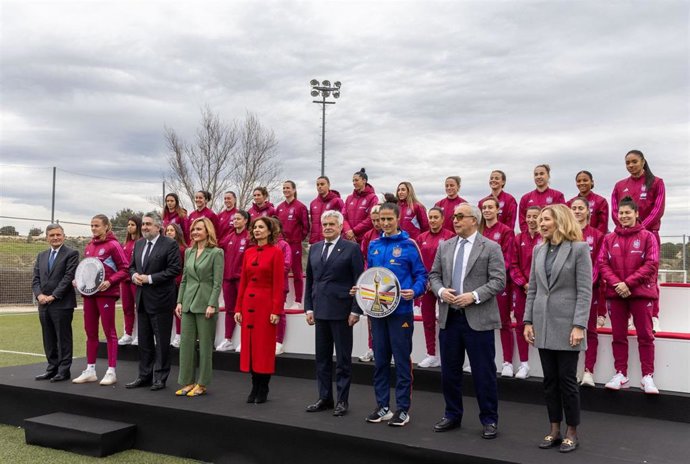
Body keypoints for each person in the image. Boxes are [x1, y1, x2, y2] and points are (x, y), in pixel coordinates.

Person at [428, 203, 505, 439]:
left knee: (484, 372)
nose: (455, 219)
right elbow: (434, 275)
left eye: (460, 216)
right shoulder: (445, 246)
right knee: (449, 372)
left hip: (478, 319)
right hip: (450, 318)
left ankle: (489, 419)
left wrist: (474, 296)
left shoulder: (491, 247)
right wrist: (441, 292)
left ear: (475, 219)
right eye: (454, 216)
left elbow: (499, 280)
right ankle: (452, 414)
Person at [523, 204, 592, 453]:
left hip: (567, 326)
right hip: (542, 324)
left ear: (560, 221)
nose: (541, 223)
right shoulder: (538, 250)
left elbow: (585, 291)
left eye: (546, 219)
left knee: (567, 381)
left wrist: (579, 325)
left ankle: (571, 430)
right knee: (549, 381)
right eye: (539, 220)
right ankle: (554, 429)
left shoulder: (579, 249)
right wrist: (527, 321)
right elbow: (533, 289)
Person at [362, 202, 427, 427]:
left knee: (401, 360)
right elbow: (369, 276)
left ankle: (402, 409)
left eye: (390, 219)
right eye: (382, 219)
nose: (386, 223)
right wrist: (360, 290)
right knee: (380, 360)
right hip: (378, 313)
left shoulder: (409, 245)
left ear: (398, 219)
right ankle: (382, 407)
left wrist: (415, 291)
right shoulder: (374, 245)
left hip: (401, 313)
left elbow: (422, 276)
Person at [304, 210, 365, 416]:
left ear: (340, 226)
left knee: (343, 360)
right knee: (321, 359)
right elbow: (310, 281)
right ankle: (324, 398)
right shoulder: (314, 248)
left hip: (342, 312)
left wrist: (356, 310)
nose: (328, 227)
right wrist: (309, 307)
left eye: (332, 224)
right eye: (325, 224)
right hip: (320, 311)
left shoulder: (351, 249)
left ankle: (342, 400)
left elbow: (359, 281)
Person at [599, 196, 660, 394]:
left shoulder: (648, 237)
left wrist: (628, 283)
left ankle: (647, 376)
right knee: (618, 336)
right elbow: (602, 264)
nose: (623, 216)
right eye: (621, 213)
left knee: (645, 336)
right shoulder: (609, 238)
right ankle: (620, 373)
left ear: (636, 214)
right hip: (617, 294)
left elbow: (651, 264)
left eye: (627, 213)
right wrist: (618, 284)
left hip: (640, 293)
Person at [126, 212, 182, 391]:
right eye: (143, 224)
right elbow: (132, 266)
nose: (144, 227)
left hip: (161, 301)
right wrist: (134, 275)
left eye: (148, 224)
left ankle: (160, 377)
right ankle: (144, 376)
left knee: (162, 342)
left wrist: (149, 278)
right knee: (144, 342)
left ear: (158, 227)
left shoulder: (170, 244)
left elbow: (174, 269)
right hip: (142, 300)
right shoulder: (139, 243)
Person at [611, 150, 665, 332]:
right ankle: (627, 316)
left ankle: (654, 315)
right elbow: (615, 210)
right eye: (628, 162)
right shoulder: (620, 185)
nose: (631, 165)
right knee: (625, 274)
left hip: (648, 235)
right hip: (625, 237)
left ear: (643, 162)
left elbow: (657, 209)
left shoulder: (657, 183)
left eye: (634, 162)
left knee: (650, 275)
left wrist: (640, 227)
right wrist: (626, 228)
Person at [234, 217, 285, 404]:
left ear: (270, 231)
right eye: (255, 227)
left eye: (261, 227)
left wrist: (276, 310)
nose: (257, 230)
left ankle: (263, 387)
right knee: (250, 347)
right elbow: (244, 282)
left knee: (263, 348)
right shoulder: (248, 252)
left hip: (266, 306)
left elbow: (279, 284)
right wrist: (238, 307)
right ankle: (254, 385)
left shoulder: (276, 252)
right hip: (248, 303)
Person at [73, 214, 128, 386]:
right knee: (90, 332)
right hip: (89, 295)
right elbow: (87, 270)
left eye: (97, 225)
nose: (93, 229)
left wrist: (110, 281)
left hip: (106, 295)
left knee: (109, 331)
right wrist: (79, 281)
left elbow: (125, 269)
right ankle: (90, 370)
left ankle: (111, 371)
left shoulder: (113, 245)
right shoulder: (89, 246)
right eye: (91, 226)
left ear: (106, 227)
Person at [174, 217, 224, 397]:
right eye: (193, 229)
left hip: (206, 305)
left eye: (199, 229)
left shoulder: (216, 252)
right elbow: (185, 279)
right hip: (187, 303)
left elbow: (217, 282)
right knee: (186, 345)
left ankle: (202, 383)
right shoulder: (188, 252)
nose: (195, 232)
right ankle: (187, 381)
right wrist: (179, 301)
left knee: (204, 347)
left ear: (207, 231)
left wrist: (212, 304)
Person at [32, 224, 79, 382]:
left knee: (63, 338)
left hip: (62, 304)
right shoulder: (41, 255)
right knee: (48, 338)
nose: (55, 238)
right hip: (43, 304)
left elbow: (67, 278)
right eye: (52, 235)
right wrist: (39, 295)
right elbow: (36, 279)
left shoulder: (71, 254)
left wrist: (53, 296)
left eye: (58, 235)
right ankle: (51, 368)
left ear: (64, 236)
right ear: (47, 238)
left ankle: (64, 370)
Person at [570, 197, 605, 387]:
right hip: (568, 293)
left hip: (590, 291)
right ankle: (573, 371)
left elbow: (599, 264)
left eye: (580, 208)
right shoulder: (566, 235)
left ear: (587, 211)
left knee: (589, 331)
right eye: (573, 208)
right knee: (570, 331)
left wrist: (584, 285)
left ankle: (588, 371)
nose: (576, 211)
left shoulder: (597, 235)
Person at [480, 197, 516, 377]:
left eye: (490, 207)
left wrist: (493, 278)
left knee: (503, 323)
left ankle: (507, 362)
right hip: (479, 285)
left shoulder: (506, 231)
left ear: (497, 210)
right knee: (480, 323)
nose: (486, 210)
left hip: (499, 284)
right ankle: (481, 361)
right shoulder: (478, 230)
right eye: (484, 207)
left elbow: (507, 259)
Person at [415, 206, 454, 368]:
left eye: (435, 217)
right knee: (428, 321)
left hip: (444, 286)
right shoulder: (421, 237)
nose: (432, 220)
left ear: (443, 219)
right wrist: (426, 281)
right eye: (430, 217)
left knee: (447, 322)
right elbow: (417, 262)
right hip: (427, 285)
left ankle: (448, 355)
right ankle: (431, 354)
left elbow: (452, 263)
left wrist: (439, 283)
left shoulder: (450, 237)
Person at [509, 206, 542, 379]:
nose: (531, 220)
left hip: (543, 290)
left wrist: (538, 285)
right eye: (528, 216)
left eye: (535, 216)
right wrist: (524, 283)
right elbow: (513, 265)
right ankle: (524, 363)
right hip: (523, 290)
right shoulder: (518, 238)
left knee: (544, 324)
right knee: (522, 325)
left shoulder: (546, 238)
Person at [216, 210, 251, 352]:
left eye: (238, 218)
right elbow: (217, 247)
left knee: (244, 309)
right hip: (228, 279)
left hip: (242, 280)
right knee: (230, 310)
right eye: (234, 219)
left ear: (245, 220)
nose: (235, 221)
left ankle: (245, 340)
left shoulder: (249, 238)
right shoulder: (228, 237)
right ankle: (228, 339)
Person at [276, 180, 310, 309]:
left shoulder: (300, 207)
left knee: (297, 272)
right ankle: (283, 300)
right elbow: (277, 226)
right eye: (284, 188)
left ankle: (297, 301)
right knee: (282, 271)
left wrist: (298, 239)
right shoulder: (279, 208)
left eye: (288, 188)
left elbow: (306, 226)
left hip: (295, 244)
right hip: (282, 244)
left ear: (294, 190)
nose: (286, 190)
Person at [357, 204, 382, 363]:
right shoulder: (368, 236)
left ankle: (389, 351)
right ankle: (372, 348)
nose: (376, 223)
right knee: (371, 318)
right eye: (373, 220)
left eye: (378, 220)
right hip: (371, 282)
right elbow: (363, 258)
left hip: (389, 284)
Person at [518, 164, 566, 233]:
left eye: (541, 174)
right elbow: (522, 221)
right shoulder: (525, 198)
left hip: (551, 236)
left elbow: (562, 218)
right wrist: (530, 236)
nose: (538, 177)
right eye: (536, 174)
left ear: (548, 176)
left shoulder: (558, 195)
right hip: (532, 238)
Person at [118, 216, 141, 346]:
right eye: (128, 224)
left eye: (132, 224)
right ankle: (128, 334)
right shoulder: (125, 244)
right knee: (127, 308)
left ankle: (139, 335)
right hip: (124, 281)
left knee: (139, 309)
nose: (130, 227)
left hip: (136, 281)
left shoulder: (141, 242)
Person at [165, 223, 187, 348]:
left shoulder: (183, 249)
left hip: (178, 284)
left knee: (178, 311)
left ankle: (179, 335)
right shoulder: (164, 248)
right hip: (166, 284)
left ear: (177, 232)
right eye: (167, 230)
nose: (169, 232)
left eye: (171, 230)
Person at [273, 218, 293, 355]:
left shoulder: (284, 245)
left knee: (279, 313)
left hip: (279, 285)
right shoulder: (262, 245)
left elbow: (286, 265)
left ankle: (278, 342)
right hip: (263, 287)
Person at [343, 168, 379, 242]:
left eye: (356, 180)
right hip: (348, 238)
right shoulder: (349, 198)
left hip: (364, 239)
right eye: (353, 181)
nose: (354, 183)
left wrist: (354, 231)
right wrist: (348, 231)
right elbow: (343, 217)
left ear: (364, 181)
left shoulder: (373, 197)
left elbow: (371, 218)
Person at [309, 176, 345, 244]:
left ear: (328, 185)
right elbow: (312, 222)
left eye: (322, 184)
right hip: (315, 242)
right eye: (318, 185)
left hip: (332, 241)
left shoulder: (337, 201)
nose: (319, 186)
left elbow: (343, 220)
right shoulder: (313, 203)